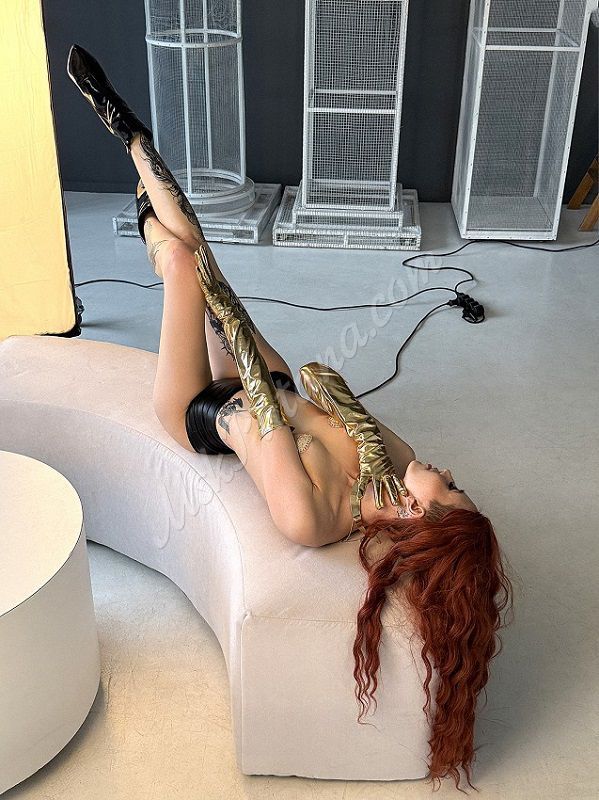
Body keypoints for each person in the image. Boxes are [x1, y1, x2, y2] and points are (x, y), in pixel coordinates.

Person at [66, 44, 514, 792]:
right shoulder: (396, 458)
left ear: (417, 518)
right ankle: (132, 139)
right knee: (205, 259)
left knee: (184, 269)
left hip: (208, 409)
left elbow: (259, 411)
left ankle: (146, 204)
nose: (443, 471)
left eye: (449, 487)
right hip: (268, 384)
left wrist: (243, 336)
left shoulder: (314, 520)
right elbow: (316, 383)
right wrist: (340, 417)